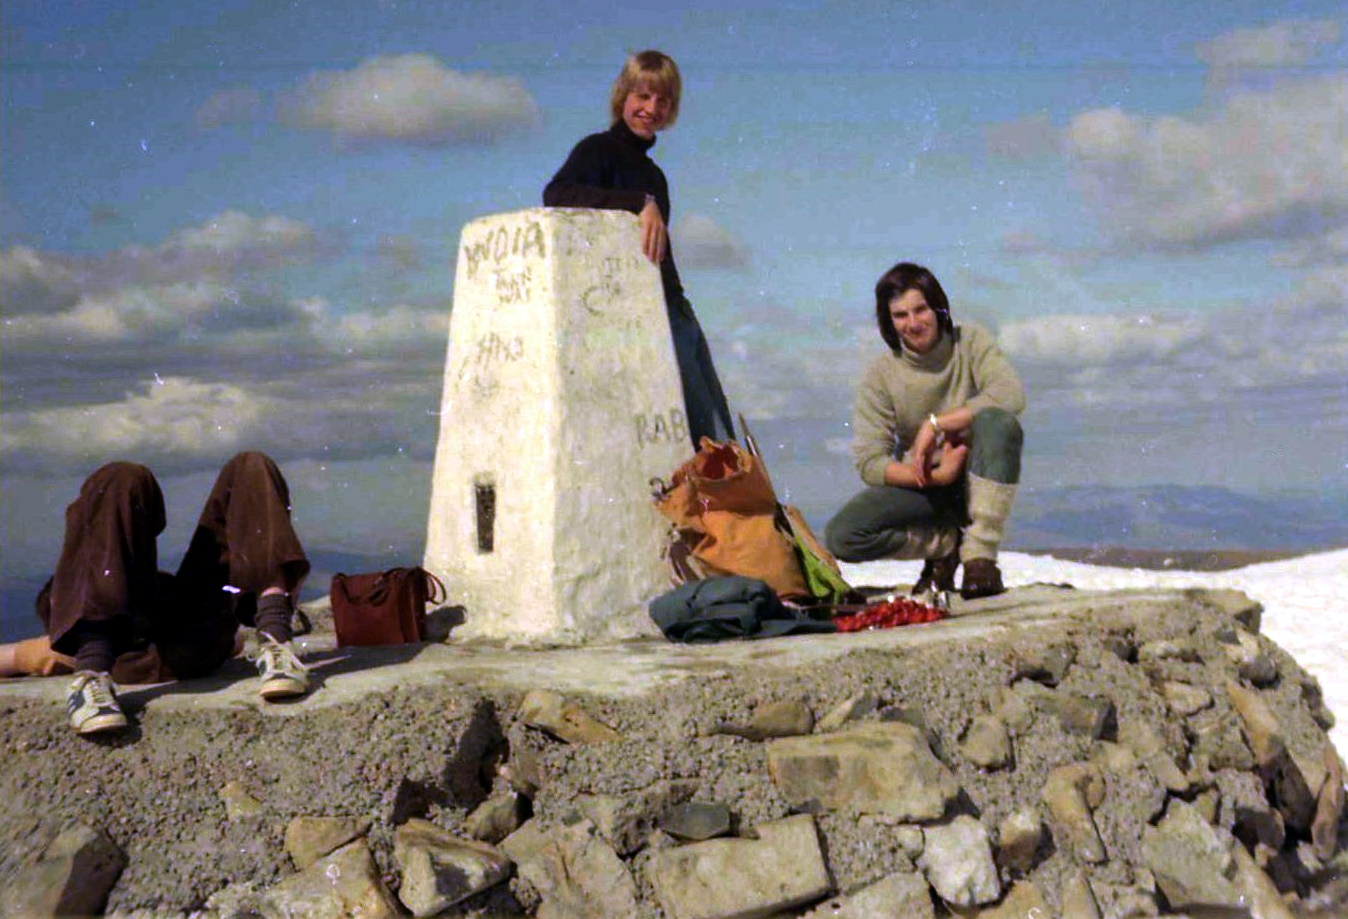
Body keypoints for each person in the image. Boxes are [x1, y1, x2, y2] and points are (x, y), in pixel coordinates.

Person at [16, 451, 312, 736]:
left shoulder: (59, 643)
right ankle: (276, 641)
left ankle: (275, 639)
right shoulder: (62, 646)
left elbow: (14, 657)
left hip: (183, 639)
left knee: (247, 464)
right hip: (148, 648)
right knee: (122, 475)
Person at [543, 49, 736, 448]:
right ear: (623, 97)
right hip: (644, 312)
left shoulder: (655, 174)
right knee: (704, 427)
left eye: (662, 100)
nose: (651, 108)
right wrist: (639, 204)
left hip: (675, 304)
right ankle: (730, 507)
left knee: (716, 418)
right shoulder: (597, 150)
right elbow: (557, 193)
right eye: (642, 96)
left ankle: (741, 505)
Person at [825, 263, 1025, 600]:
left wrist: (935, 425)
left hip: (980, 477)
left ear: (938, 307)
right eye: (900, 315)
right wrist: (937, 476)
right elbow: (869, 462)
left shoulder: (970, 342)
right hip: (927, 485)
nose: (914, 323)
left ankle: (980, 559)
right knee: (843, 535)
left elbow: (1011, 395)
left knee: (999, 422)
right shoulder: (882, 375)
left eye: (921, 309)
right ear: (888, 322)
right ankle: (946, 546)